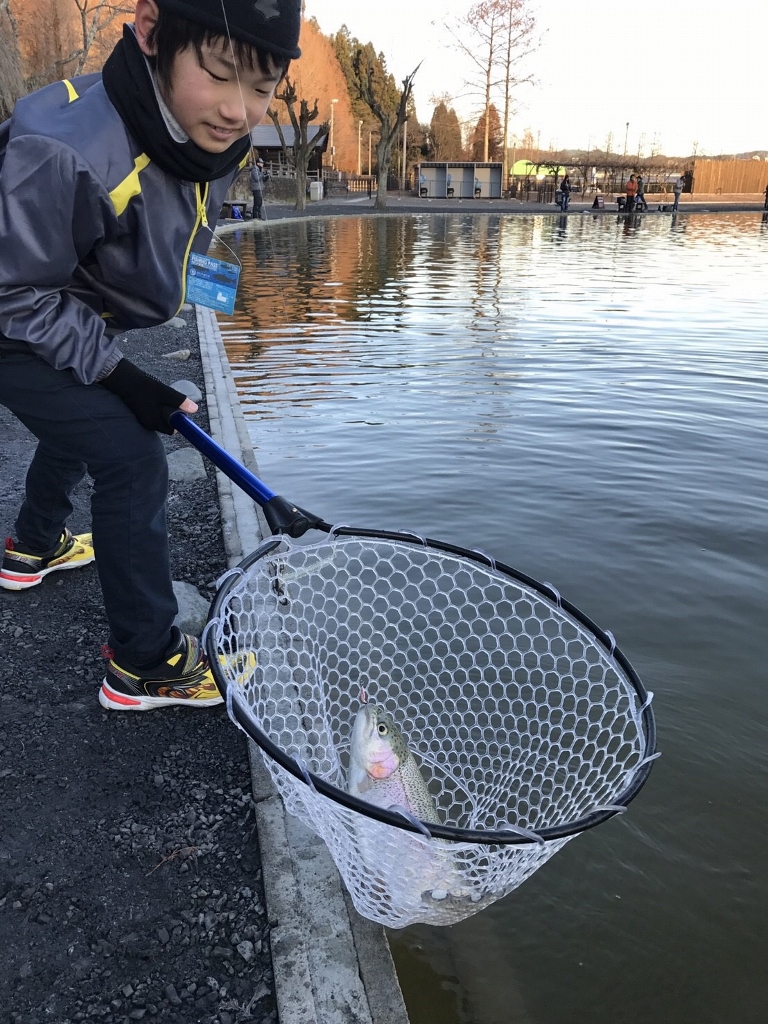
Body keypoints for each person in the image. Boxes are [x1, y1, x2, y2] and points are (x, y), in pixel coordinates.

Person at [0, 0, 301, 710]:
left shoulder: (199, 132)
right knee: (133, 455)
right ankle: (145, 664)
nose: (238, 109)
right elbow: (12, 294)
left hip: (63, 307)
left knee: (90, 420)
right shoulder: (67, 149)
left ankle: (32, 547)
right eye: (221, 74)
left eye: (262, 88)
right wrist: (121, 375)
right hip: (12, 317)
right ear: (150, 31)